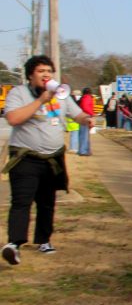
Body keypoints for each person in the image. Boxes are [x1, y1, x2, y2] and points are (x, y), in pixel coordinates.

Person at [2, 55, 95, 263]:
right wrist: (40, 101)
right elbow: (13, 118)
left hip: (52, 158)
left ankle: (44, 240)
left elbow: (76, 114)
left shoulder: (60, 94)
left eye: (49, 71)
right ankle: (14, 244)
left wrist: (86, 119)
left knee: (47, 202)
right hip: (26, 157)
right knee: (21, 201)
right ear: (30, 75)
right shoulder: (19, 93)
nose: (46, 75)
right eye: (41, 71)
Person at [77, 87, 95, 155]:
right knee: (85, 134)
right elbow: (86, 107)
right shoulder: (88, 98)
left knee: (83, 134)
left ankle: (85, 150)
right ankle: (83, 151)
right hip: (86, 116)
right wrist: (92, 114)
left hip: (82, 116)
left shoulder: (83, 98)